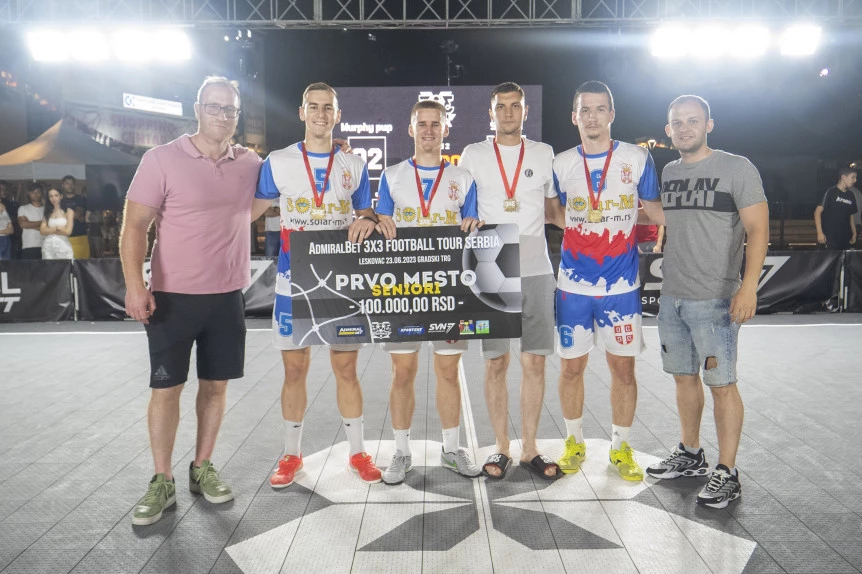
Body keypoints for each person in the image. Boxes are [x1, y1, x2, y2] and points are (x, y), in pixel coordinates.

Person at [121, 76, 262, 526]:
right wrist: (135, 286)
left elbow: (255, 204)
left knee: (216, 387)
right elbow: (135, 226)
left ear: (237, 115)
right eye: (214, 107)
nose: (223, 115)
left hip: (227, 296)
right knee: (166, 389)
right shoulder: (161, 159)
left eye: (230, 109)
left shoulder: (251, 164)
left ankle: (202, 467)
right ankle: (162, 480)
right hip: (172, 297)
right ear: (198, 109)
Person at [249, 82, 383, 489]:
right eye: (314, 106)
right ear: (302, 112)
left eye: (328, 107)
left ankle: (358, 453)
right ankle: (291, 455)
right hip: (294, 283)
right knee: (295, 370)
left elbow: (366, 214)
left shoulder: (353, 164)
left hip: (340, 282)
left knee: (346, 369)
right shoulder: (278, 161)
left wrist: (369, 221)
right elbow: (249, 211)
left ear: (337, 115)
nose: (321, 114)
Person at [646, 95, 769, 510]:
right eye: (677, 123)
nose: (685, 128)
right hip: (672, 297)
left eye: (692, 121)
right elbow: (665, 217)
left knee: (722, 385)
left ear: (708, 125)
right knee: (683, 378)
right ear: (668, 130)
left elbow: (758, 229)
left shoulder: (737, 168)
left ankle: (727, 472)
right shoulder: (669, 171)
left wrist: (748, 287)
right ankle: (690, 453)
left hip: (715, 298)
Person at [546, 81, 664, 481]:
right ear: (574, 117)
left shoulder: (637, 158)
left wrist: (625, 218)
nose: (592, 117)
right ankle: (574, 442)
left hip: (622, 288)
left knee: (624, 371)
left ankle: (620, 447)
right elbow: (554, 213)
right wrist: (586, 225)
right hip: (573, 287)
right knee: (570, 370)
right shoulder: (561, 163)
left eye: (600, 109)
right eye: (585, 110)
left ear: (612, 114)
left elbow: (655, 211)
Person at [373, 100, 483, 485]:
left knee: (448, 371)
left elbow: (473, 225)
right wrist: (378, 222)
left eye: (436, 124)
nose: (429, 131)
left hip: (449, 289)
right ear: (411, 129)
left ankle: (451, 449)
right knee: (402, 371)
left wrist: (474, 223)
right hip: (404, 288)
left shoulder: (463, 178)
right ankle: (401, 452)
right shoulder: (391, 176)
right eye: (422, 124)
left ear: (446, 130)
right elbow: (382, 221)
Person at [458, 82, 560, 480]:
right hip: (492, 266)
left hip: (536, 268)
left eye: (515, 106)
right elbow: (460, 206)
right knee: (496, 362)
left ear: (525, 111)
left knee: (534, 361)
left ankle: (529, 447)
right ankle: (501, 446)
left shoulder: (544, 153)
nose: (508, 113)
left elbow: (554, 210)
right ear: (491, 113)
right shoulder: (473, 154)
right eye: (501, 106)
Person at [814, 167, 857, 250]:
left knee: (844, 258)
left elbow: (851, 216)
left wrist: (854, 233)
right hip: (830, 237)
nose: (855, 180)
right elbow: (817, 212)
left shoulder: (851, 195)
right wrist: (819, 233)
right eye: (853, 177)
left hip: (845, 236)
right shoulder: (830, 192)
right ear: (843, 177)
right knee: (830, 258)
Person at [39, 187, 75, 260]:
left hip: (63, 245)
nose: (53, 198)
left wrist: (49, 230)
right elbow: (42, 231)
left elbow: (68, 232)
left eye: (56, 195)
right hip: (48, 245)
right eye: (51, 196)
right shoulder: (47, 212)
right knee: (48, 266)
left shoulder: (69, 211)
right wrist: (57, 228)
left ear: (61, 196)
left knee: (64, 266)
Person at [17, 182, 46, 259]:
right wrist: (42, 223)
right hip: (28, 246)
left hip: (45, 246)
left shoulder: (46, 210)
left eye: (38, 192)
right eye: (33, 192)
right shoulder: (23, 208)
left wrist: (29, 224)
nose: (35, 194)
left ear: (42, 193)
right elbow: (23, 224)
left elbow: (48, 228)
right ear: (29, 194)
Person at [0, 180, 21, 259]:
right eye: (1, 189)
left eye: (5, 189)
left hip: (10, 238)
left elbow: (11, 228)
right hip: (3, 236)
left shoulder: (10, 204)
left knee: (7, 263)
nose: (3, 191)